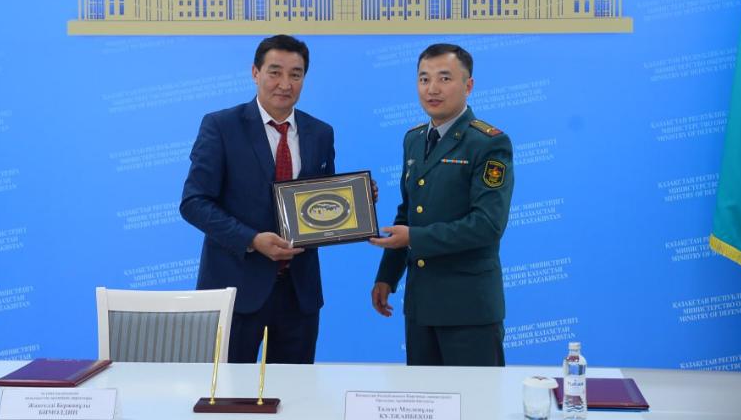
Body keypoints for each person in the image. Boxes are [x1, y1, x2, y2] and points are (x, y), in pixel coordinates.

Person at [181, 35, 335, 364]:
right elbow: (194, 202)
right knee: (227, 391)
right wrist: (251, 240)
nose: (285, 84)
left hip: (299, 294)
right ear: (255, 72)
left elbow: (321, 201)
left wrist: (356, 199)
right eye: (274, 72)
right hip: (234, 289)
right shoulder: (221, 126)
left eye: (295, 74)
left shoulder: (321, 133)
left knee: (295, 392)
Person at [370, 43, 514, 366]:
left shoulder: (488, 143)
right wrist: (387, 276)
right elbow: (408, 212)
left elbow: (487, 225)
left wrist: (414, 238)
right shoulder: (414, 139)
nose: (432, 89)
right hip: (420, 307)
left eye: (444, 78)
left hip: (469, 309)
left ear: (468, 85)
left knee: (478, 398)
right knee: (424, 398)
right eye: (424, 79)